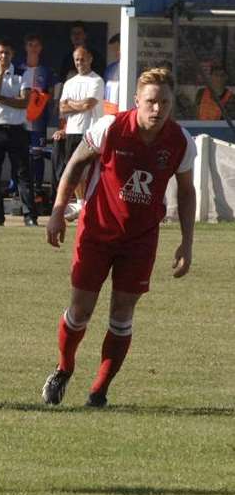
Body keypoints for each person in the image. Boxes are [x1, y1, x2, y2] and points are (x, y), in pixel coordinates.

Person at [41, 68, 196, 408]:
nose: (157, 109)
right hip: (96, 232)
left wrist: (187, 241)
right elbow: (75, 165)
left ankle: (99, 391)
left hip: (140, 240)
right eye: (151, 102)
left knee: (122, 314)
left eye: (164, 103)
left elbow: (186, 192)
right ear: (137, 101)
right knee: (80, 310)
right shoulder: (110, 127)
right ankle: (64, 368)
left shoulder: (180, 141)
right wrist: (57, 210)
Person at [0, 38, 38, 227]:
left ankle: (30, 217)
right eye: (0, 52)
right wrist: (2, 75)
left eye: (7, 53)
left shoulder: (23, 74)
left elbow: (24, 102)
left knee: (23, 174)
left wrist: (0, 98)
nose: (4, 56)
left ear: (12, 54)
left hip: (16, 130)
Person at [53, 46, 104, 220]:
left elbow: (88, 105)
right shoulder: (69, 83)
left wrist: (71, 104)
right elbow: (61, 108)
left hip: (90, 132)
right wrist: (78, 105)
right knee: (73, 169)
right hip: (72, 131)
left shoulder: (97, 80)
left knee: (90, 170)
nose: (79, 63)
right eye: (77, 60)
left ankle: (90, 203)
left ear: (90, 58)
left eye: (82, 59)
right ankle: (81, 203)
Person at [16, 33, 60, 196]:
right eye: (30, 45)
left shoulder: (46, 71)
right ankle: (17, 187)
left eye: (36, 45)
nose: (33, 48)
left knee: (37, 154)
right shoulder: (18, 69)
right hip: (19, 120)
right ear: (25, 47)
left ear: (40, 48)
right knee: (19, 154)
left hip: (39, 121)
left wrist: (51, 110)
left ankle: (38, 186)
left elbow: (53, 94)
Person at [103, 34, 121, 116]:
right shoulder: (109, 69)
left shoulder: (133, 68)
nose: (115, 52)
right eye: (113, 49)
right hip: (110, 112)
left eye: (117, 49)